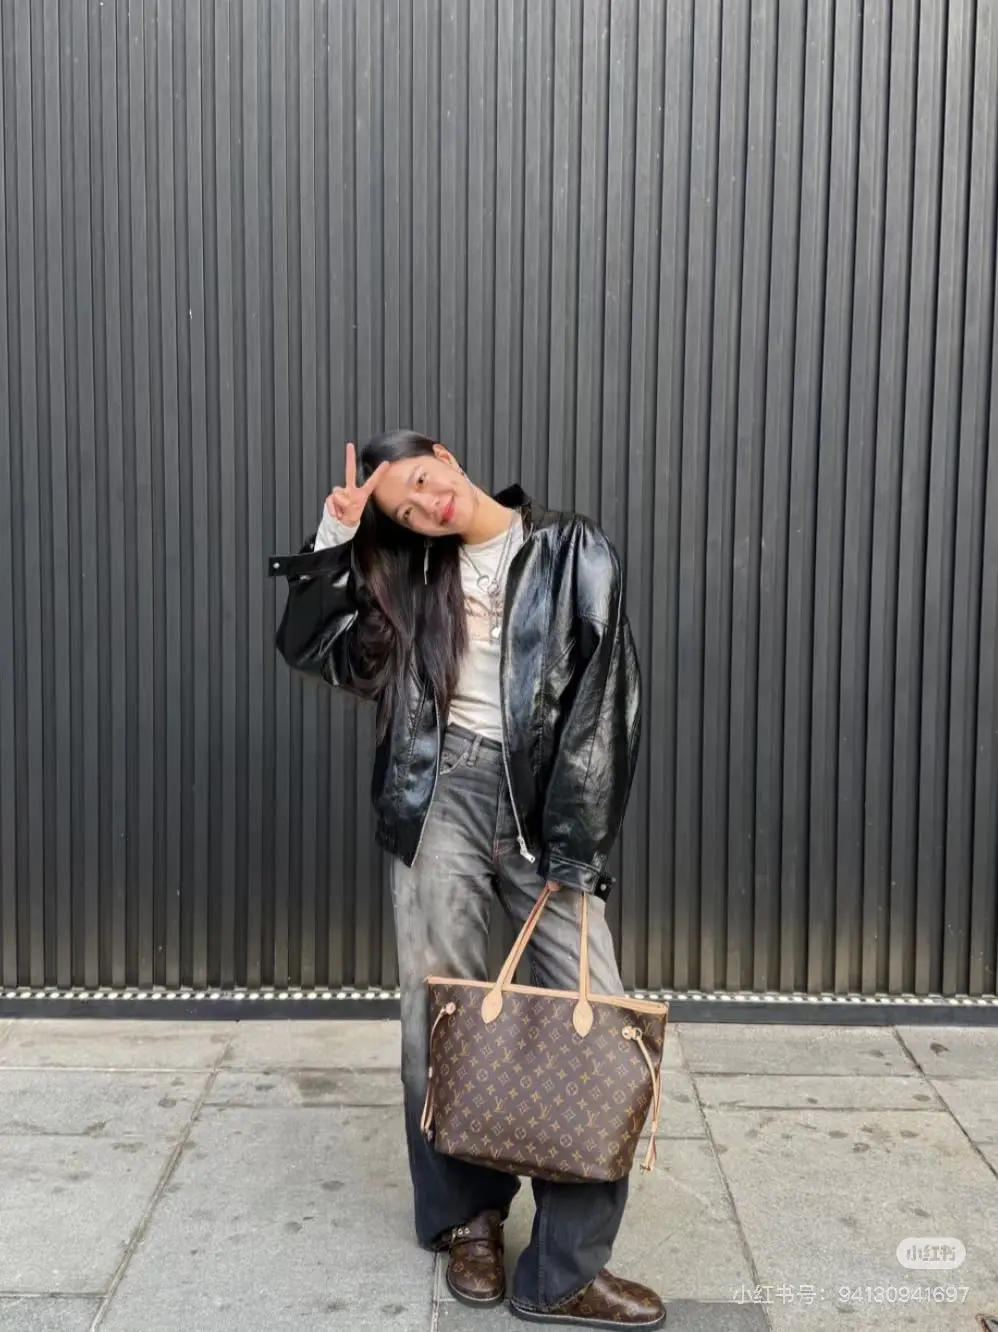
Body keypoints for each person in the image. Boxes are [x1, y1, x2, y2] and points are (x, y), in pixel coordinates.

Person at [269, 430, 663, 1329]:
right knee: (437, 1012)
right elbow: (315, 650)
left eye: (420, 482)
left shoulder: (571, 546)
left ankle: (566, 1268)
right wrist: (337, 540)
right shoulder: (411, 576)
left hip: (544, 806)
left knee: (594, 1012)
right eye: (405, 511)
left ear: (444, 457)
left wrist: (575, 848)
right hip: (438, 794)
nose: (425, 507)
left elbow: (606, 701)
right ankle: (468, 1223)